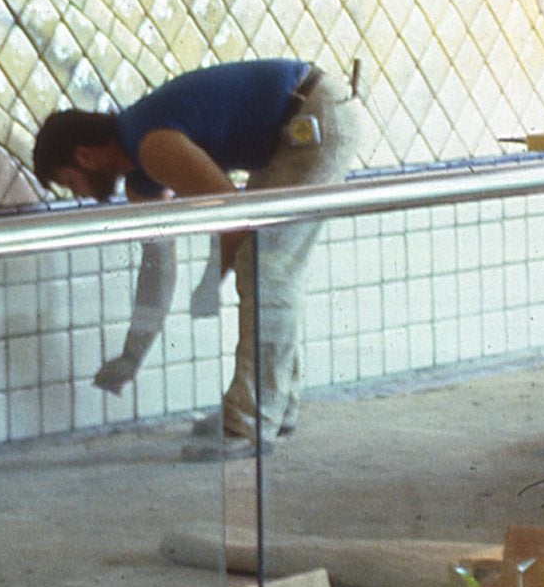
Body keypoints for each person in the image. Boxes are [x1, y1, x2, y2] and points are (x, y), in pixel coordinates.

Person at [31, 58, 364, 459]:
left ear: (84, 156)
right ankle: (273, 408)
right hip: (298, 125)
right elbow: (157, 270)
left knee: (263, 267)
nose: (80, 192)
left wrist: (210, 282)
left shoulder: (151, 144)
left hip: (314, 118)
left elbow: (233, 219)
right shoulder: (142, 176)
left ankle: (250, 423)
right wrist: (132, 354)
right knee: (268, 266)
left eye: (70, 182)